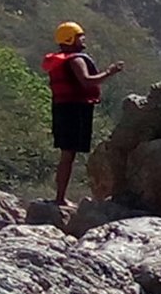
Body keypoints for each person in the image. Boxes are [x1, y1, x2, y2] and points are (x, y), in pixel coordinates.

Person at [41, 22, 122, 204]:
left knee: (67, 154)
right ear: (70, 39)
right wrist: (110, 72)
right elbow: (86, 81)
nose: (83, 39)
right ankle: (60, 199)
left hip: (63, 108)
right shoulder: (76, 59)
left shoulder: (63, 60)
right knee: (68, 155)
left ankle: (60, 197)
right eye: (79, 36)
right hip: (74, 110)